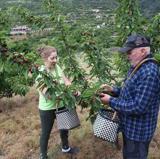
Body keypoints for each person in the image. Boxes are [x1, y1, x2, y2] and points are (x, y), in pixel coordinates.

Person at [100, 34, 160, 159]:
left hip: (138, 133)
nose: (127, 55)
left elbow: (138, 107)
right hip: (130, 128)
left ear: (143, 51)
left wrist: (110, 101)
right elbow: (130, 91)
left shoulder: (149, 73)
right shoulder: (138, 66)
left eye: (130, 52)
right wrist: (114, 90)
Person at [36, 46, 77, 159]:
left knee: (64, 127)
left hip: (61, 104)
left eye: (56, 57)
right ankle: (43, 155)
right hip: (47, 109)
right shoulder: (40, 75)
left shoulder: (57, 67)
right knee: (46, 132)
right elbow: (48, 95)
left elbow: (66, 81)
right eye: (52, 58)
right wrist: (65, 94)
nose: (55, 60)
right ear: (45, 58)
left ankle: (65, 147)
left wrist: (73, 90)